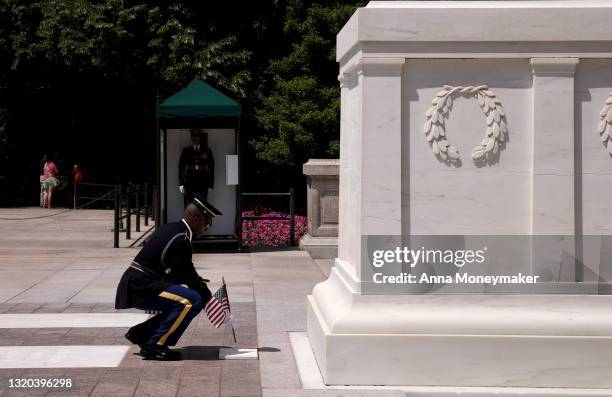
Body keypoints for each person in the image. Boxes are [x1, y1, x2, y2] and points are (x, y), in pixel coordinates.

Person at [115, 195, 222, 360]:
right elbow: (189, 275)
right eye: (206, 221)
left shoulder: (173, 228)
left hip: (140, 282)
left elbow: (176, 270)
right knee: (191, 300)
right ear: (194, 219)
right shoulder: (181, 239)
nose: (207, 226)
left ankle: (143, 334)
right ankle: (154, 345)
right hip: (141, 285)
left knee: (190, 298)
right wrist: (209, 298)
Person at [178, 130, 215, 206]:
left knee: (202, 205)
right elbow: (181, 167)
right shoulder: (186, 150)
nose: (195, 140)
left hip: (203, 181)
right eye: (193, 138)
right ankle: (190, 218)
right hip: (189, 181)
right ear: (191, 139)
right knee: (190, 205)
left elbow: (211, 167)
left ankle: (202, 218)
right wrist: (181, 183)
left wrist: (211, 183)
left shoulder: (207, 150)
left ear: (200, 139)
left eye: (197, 138)